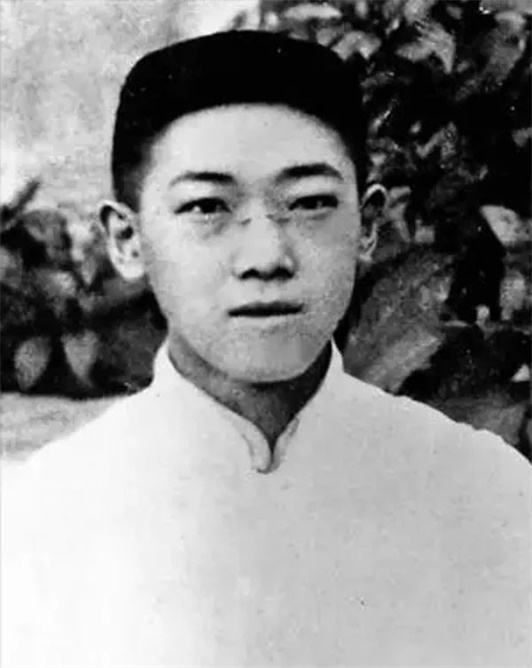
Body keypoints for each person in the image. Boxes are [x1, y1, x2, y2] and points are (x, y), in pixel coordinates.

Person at [1, 31, 530, 668]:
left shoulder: (483, 495)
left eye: (309, 204)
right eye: (206, 207)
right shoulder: (43, 520)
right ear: (127, 239)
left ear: (367, 225)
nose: (266, 257)